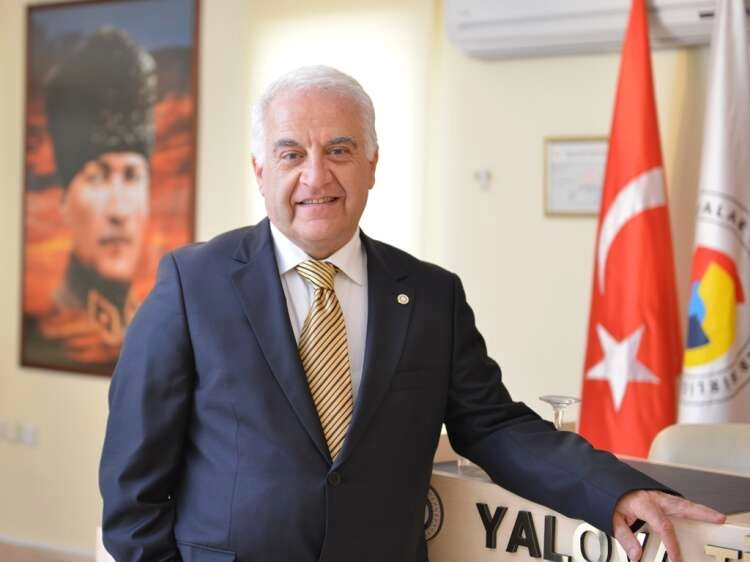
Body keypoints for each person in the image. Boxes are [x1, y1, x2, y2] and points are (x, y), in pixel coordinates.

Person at [99, 66, 723, 562]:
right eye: (291, 154)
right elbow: (134, 481)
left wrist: (614, 489)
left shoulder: (430, 295)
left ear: (372, 163)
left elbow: (496, 427)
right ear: (260, 170)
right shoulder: (192, 284)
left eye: (339, 149)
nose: (316, 175)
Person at [23, 27, 156, 372]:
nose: (119, 211)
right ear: (64, 202)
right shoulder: (44, 332)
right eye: (96, 177)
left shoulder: (158, 332)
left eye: (132, 175)